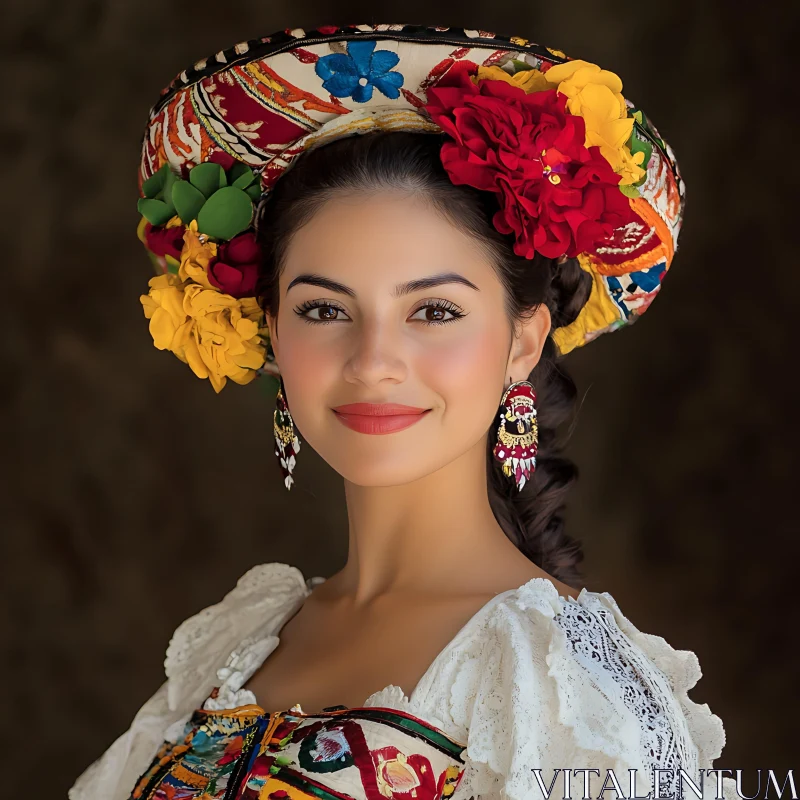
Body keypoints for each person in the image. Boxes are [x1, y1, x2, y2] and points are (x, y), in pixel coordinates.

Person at [69, 22, 734, 800]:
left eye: (435, 311)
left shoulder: (566, 681)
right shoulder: (244, 640)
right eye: (323, 310)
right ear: (273, 335)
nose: (373, 362)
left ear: (522, 342)